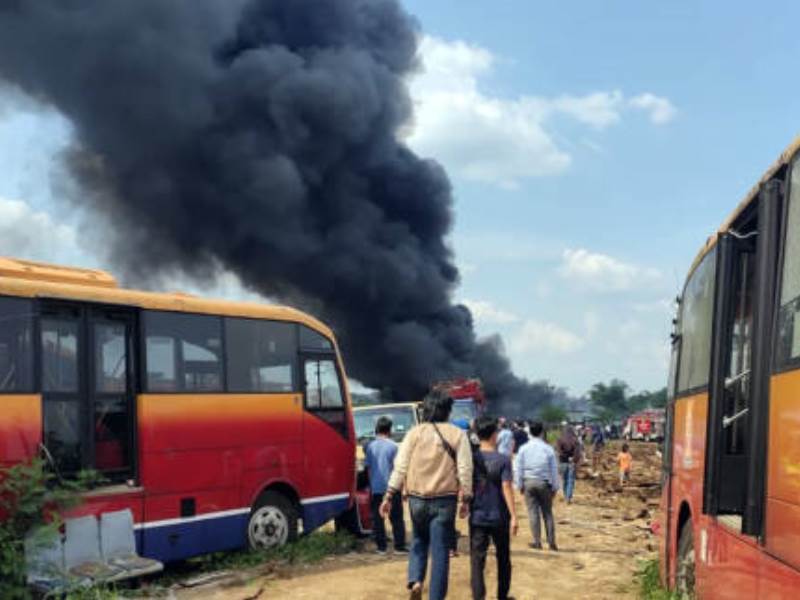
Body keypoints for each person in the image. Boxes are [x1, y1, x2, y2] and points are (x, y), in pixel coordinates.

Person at [381, 391, 474, 600]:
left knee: (418, 540)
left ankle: (416, 580)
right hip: (444, 500)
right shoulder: (458, 434)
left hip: (416, 500)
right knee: (440, 552)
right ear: (447, 411)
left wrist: (388, 495)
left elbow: (400, 466)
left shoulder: (414, 433)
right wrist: (465, 498)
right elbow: (465, 469)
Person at [469, 415, 518, 600]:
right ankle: (502, 596)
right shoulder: (503, 460)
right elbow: (506, 487)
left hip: (478, 515)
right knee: (503, 557)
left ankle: (478, 596)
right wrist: (514, 516)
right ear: (494, 435)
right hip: (499, 515)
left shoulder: (472, 459)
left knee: (477, 560)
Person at [514, 420, 559, 551]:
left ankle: (537, 542)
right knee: (548, 513)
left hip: (528, 482)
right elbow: (554, 470)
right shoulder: (548, 449)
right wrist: (555, 487)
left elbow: (518, 468)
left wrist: (519, 484)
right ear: (541, 432)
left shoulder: (523, 449)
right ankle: (552, 543)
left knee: (533, 513)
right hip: (544, 483)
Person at [365, 416, 407, 554]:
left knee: (378, 518)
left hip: (376, 488)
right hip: (392, 488)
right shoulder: (394, 446)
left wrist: (371, 485)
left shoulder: (370, 446)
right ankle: (399, 546)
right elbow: (399, 469)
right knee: (396, 518)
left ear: (377, 429)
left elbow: (368, 468)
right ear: (389, 430)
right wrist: (403, 487)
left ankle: (381, 547)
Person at [555, 425, 580, 504]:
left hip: (562, 462)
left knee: (565, 480)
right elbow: (577, 453)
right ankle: (568, 497)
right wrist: (573, 459)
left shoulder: (559, 440)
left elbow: (559, 452)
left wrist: (565, 457)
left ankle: (566, 495)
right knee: (571, 480)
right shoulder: (575, 440)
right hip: (572, 463)